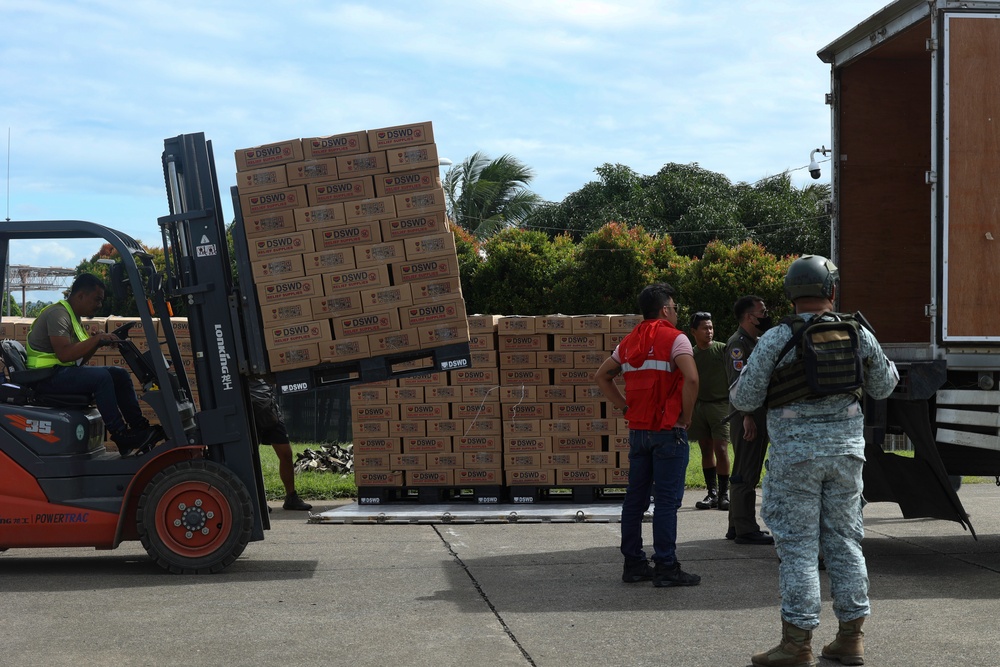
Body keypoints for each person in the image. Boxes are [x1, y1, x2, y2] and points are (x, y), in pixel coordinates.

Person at [731, 255, 898, 667]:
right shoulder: (859, 333)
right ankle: (850, 639)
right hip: (846, 456)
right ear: (832, 291)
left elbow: (745, 398)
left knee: (799, 550)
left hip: (795, 461)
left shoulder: (775, 338)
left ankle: (796, 643)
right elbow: (885, 385)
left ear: (791, 295)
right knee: (845, 543)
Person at [595, 283, 700, 588]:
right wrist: (687, 415)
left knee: (635, 499)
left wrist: (625, 406)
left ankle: (634, 564)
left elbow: (602, 376)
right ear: (665, 308)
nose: (677, 312)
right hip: (669, 431)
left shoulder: (629, 342)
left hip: (639, 431)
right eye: (675, 307)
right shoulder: (676, 339)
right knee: (666, 502)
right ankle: (666, 566)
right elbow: (692, 378)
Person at [25, 273, 161, 457]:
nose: (99, 305)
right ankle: (120, 434)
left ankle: (139, 427)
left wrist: (98, 342)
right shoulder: (58, 315)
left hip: (60, 372)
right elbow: (65, 354)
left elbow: (78, 360)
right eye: (97, 299)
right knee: (101, 377)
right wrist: (96, 339)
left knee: (118, 373)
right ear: (80, 295)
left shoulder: (74, 318)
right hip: (45, 377)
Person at [725, 294, 774, 545]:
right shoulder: (738, 344)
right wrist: (747, 417)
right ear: (748, 317)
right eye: (762, 312)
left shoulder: (752, 342)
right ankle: (746, 529)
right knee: (746, 472)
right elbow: (738, 384)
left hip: (753, 414)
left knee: (743, 469)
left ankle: (736, 524)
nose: (765, 316)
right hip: (747, 416)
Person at [688, 311, 732, 511]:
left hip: (720, 406)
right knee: (705, 448)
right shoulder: (690, 355)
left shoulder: (723, 350)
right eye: (705, 328)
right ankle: (712, 493)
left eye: (711, 327)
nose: (709, 331)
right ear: (693, 332)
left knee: (721, 449)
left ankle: (724, 494)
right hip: (699, 407)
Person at [249, 378, 312, 511]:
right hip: (249, 408)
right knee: (251, 456)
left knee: (286, 454)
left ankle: (291, 498)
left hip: (269, 408)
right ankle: (256, 501)